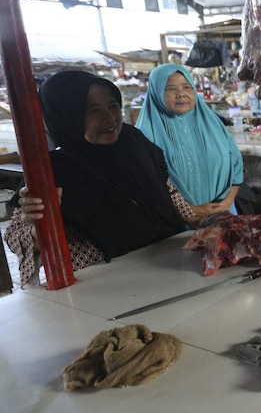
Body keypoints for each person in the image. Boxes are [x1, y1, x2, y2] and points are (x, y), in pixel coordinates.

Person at [3, 71, 192, 286]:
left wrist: (199, 218)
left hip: (169, 264)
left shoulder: (134, 143)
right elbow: (16, 238)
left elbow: (166, 190)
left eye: (113, 106)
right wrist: (38, 229)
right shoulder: (49, 169)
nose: (109, 118)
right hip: (103, 283)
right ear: (66, 115)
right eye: (93, 111)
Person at [136, 64, 243, 217]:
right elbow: (148, 185)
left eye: (187, 87)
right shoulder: (145, 135)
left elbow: (236, 166)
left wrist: (226, 203)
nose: (181, 94)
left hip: (224, 214)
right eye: (171, 89)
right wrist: (191, 211)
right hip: (178, 224)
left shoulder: (212, 124)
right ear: (156, 92)